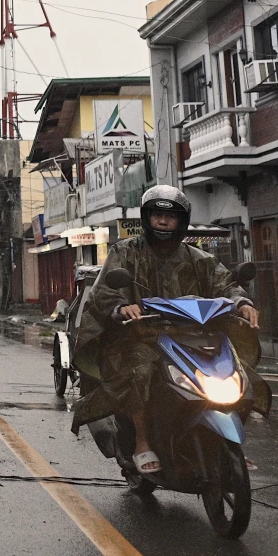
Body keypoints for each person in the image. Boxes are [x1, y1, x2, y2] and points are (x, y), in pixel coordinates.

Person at [71, 184, 260, 476]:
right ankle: (142, 442)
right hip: (140, 336)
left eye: (170, 218)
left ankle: (227, 441)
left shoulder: (199, 260)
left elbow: (227, 285)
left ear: (180, 222)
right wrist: (122, 307)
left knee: (240, 373)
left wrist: (242, 303)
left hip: (192, 338)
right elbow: (104, 290)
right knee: (139, 371)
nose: (163, 222)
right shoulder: (125, 252)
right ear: (147, 218)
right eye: (157, 215)